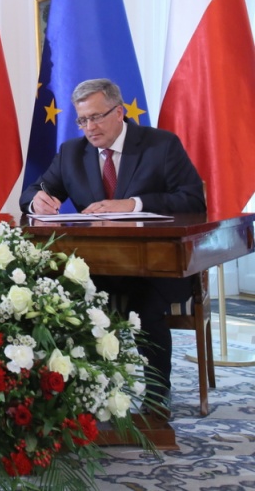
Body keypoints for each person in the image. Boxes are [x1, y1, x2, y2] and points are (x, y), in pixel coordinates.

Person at [20, 78, 206, 418]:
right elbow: (31, 191)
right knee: (54, 302)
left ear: (119, 112)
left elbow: (193, 201)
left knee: (143, 309)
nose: (89, 127)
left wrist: (132, 205)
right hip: (98, 269)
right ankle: (77, 396)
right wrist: (38, 201)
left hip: (156, 268)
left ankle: (156, 397)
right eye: (82, 120)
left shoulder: (160, 146)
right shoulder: (72, 153)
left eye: (96, 117)